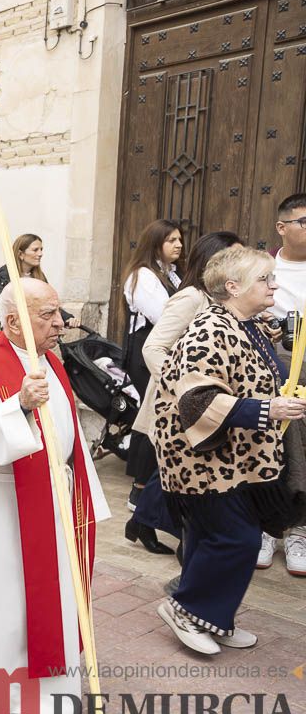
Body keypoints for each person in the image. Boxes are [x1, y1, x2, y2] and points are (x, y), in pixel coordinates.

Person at [0, 277, 109, 714]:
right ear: (13, 320)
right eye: (47, 315)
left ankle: (55, 685)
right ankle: (12, 694)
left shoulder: (49, 360)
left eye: (58, 312)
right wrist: (16, 404)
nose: (60, 323)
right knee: (9, 598)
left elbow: (66, 433)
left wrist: (81, 488)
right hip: (3, 502)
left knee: (53, 591)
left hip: (54, 496)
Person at [151, 245, 301, 654]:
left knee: (210, 535)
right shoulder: (210, 329)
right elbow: (196, 400)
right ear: (233, 287)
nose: (274, 285)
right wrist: (270, 408)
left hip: (228, 456)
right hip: (201, 457)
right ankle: (185, 609)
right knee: (238, 539)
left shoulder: (244, 322)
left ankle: (214, 617)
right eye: (264, 279)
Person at [129, 232, 244, 557]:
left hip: (201, 404)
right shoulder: (191, 297)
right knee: (185, 471)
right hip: (180, 402)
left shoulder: (219, 299)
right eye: (232, 258)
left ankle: (145, 522)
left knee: (175, 470)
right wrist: (186, 385)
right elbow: (154, 347)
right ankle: (186, 544)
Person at [121, 219, 183, 514]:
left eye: (180, 240)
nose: (179, 245)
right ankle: (139, 489)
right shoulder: (144, 276)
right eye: (171, 240)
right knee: (151, 417)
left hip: (164, 350)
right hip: (148, 351)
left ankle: (154, 485)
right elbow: (164, 315)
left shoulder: (171, 275)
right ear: (155, 242)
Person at [266, 192, 306, 576]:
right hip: (272, 372)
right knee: (272, 447)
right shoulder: (262, 267)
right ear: (282, 227)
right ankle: (267, 527)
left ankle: (299, 530)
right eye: (304, 222)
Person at [0, 234, 47, 336]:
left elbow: (47, 301)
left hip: (32, 329)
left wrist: (66, 317)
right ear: (21, 254)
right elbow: (1, 306)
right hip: (9, 328)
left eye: (41, 249)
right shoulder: (4, 274)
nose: (40, 253)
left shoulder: (39, 276)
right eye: (35, 250)